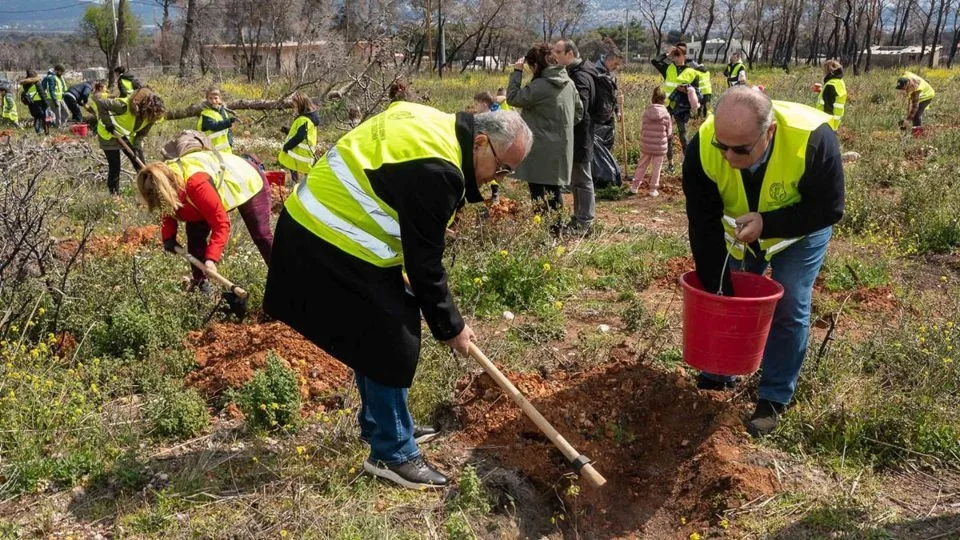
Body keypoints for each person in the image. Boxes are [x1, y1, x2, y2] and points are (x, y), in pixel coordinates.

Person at [263, 103, 532, 489]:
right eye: (502, 168)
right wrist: (451, 327)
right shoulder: (439, 171)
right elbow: (426, 266)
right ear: (482, 141)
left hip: (326, 224)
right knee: (391, 336)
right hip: (326, 234)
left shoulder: (432, 122)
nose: (499, 180)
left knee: (383, 326)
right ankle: (393, 453)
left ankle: (382, 425)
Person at [682, 86, 844, 437]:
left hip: (799, 233)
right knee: (729, 292)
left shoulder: (813, 139)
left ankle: (773, 398)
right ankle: (719, 372)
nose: (728, 156)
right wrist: (717, 287)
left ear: (768, 132)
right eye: (721, 146)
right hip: (740, 234)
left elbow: (830, 208)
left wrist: (769, 224)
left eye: (740, 149)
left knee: (790, 302)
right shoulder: (702, 146)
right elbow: (703, 222)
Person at [136, 148, 272, 293]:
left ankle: (282, 276)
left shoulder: (196, 185)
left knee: (261, 236)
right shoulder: (164, 184)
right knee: (194, 237)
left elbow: (221, 224)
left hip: (246, 178)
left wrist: (211, 258)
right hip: (200, 198)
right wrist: (169, 236)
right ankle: (203, 288)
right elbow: (167, 207)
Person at [506, 43, 582, 212]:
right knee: (554, 191)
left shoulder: (540, 86)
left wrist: (517, 72)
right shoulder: (568, 83)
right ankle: (557, 230)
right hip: (561, 147)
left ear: (535, 66)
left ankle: (545, 231)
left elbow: (512, 98)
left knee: (538, 193)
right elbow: (578, 113)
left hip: (539, 148)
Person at [554, 38, 598, 235]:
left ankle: (585, 221)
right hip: (576, 135)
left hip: (581, 135)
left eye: (558, 52)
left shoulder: (580, 77)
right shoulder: (578, 72)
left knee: (583, 179)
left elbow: (580, 108)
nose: (555, 55)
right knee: (576, 180)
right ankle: (578, 217)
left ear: (570, 54)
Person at [94, 87, 166, 196]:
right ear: (144, 108)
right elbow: (101, 103)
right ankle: (115, 195)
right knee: (115, 166)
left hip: (125, 135)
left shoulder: (152, 117)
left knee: (141, 166)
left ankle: (149, 193)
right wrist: (109, 125)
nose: (150, 118)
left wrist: (137, 147)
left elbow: (140, 135)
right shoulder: (123, 106)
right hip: (108, 134)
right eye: (149, 114)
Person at [652, 43, 702, 173]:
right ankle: (670, 164)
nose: (675, 57)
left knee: (683, 135)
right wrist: (667, 54)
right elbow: (654, 61)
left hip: (682, 107)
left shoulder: (692, 72)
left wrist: (687, 91)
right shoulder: (668, 68)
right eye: (674, 55)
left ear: (684, 56)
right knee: (667, 135)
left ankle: (687, 163)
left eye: (678, 55)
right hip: (667, 105)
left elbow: (698, 94)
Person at [630, 87, 672, 197]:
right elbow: (669, 132)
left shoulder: (646, 112)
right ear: (664, 99)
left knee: (642, 165)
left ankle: (634, 187)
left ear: (652, 98)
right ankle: (653, 190)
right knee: (657, 168)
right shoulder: (666, 115)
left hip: (646, 145)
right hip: (659, 146)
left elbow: (642, 128)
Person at [278, 92, 320, 184]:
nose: (294, 107)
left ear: (300, 105)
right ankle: (301, 186)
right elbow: (303, 134)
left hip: (300, 153)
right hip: (306, 153)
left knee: (295, 168)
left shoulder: (304, 119)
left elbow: (300, 137)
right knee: (305, 174)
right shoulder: (310, 119)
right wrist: (288, 131)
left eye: (295, 105)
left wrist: (287, 146)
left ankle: (295, 185)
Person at [594, 51, 623, 150]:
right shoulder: (595, 73)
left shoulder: (611, 76)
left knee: (607, 147)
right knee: (597, 149)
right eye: (615, 64)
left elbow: (612, 95)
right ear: (608, 60)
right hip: (597, 120)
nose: (617, 67)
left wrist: (617, 110)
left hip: (608, 118)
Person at [197, 87, 239, 153]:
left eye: (216, 98)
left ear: (220, 99)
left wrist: (230, 143)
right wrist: (229, 121)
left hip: (225, 150)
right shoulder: (206, 114)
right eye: (210, 98)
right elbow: (215, 126)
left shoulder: (223, 112)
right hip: (211, 152)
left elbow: (228, 130)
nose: (213, 101)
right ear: (207, 99)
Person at [896, 71, 935, 136]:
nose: (902, 90)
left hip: (927, 95)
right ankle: (911, 130)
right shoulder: (906, 77)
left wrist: (908, 120)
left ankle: (917, 134)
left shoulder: (915, 91)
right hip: (922, 92)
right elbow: (906, 72)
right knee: (912, 115)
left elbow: (915, 107)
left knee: (916, 115)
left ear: (907, 84)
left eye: (903, 88)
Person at [815, 59, 846, 131]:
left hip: (826, 121)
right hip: (835, 120)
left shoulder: (830, 85)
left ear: (828, 70)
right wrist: (822, 91)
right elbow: (834, 98)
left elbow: (828, 106)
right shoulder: (839, 82)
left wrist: (825, 124)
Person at [20, 70, 48, 135]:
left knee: (36, 117)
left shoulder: (25, 84)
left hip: (31, 103)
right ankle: (42, 131)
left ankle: (38, 130)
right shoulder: (37, 83)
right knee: (42, 117)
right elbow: (42, 93)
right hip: (39, 102)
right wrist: (46, 103)